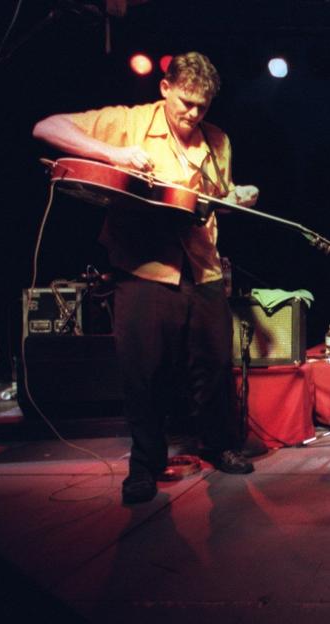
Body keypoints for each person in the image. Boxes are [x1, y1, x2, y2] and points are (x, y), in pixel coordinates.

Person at [33, 52, 260, 504]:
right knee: (145, 372)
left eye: (203, 105)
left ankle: (217, 445)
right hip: (143, 269)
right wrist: (114, 153)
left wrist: (238, 197)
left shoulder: (218, 140)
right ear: (165, 88)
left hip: (204, 267)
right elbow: (46, 127)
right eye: (186, 102)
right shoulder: (130, 123)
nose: (193, 114)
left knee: (213, 368)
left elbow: (216, 197)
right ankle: (145, 465)